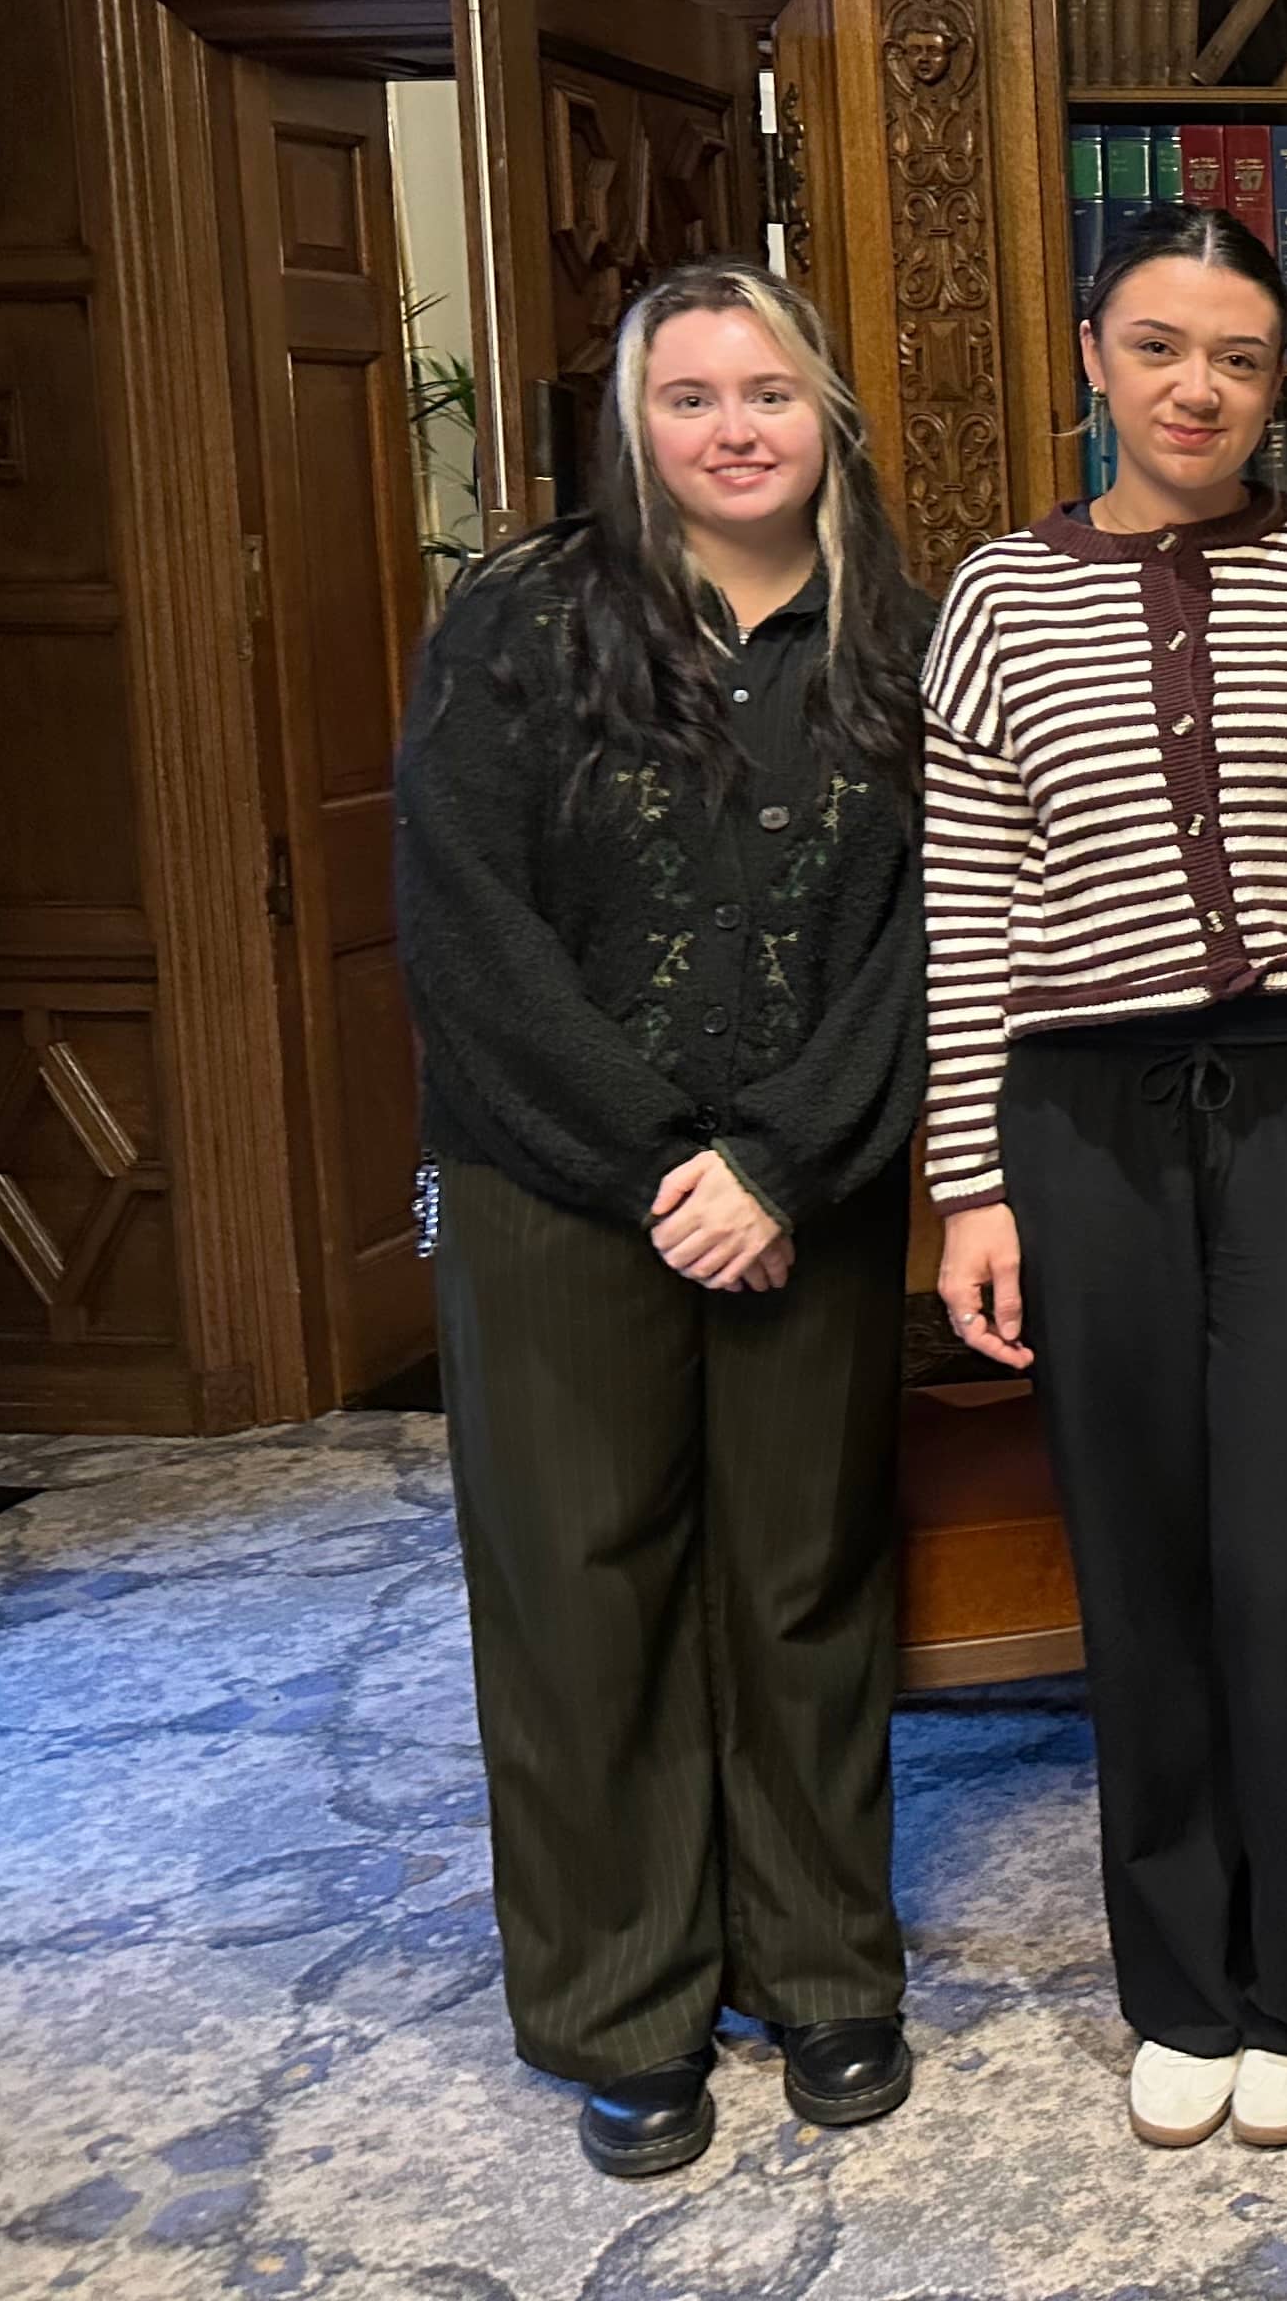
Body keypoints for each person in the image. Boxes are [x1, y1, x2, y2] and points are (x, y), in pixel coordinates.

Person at [922, 201, 1287, 2157]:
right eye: (1159, 347)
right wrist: (968, 1183)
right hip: (1084, 1115)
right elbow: (970, 899)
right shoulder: (999, 597)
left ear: (1276, 382)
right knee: (1140, 1544)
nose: (1197, 389)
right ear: (1095, 356)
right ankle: (1180, 1976)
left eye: (1238, 358)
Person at [395, 256, 931, 2180]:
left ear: (826, 414)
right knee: (582, 1591)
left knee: (803, 1581)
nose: (733, 430)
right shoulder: (521, 620)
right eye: (688, 397)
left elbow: (931, 930)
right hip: (556, 1190)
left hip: (811, 1187)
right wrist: (651, 1165)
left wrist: (778, 1160)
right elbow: (465, 926)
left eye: (767, 393)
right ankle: (626, 2008)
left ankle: (822, 1966)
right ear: (635, 424)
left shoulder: (906, 636)